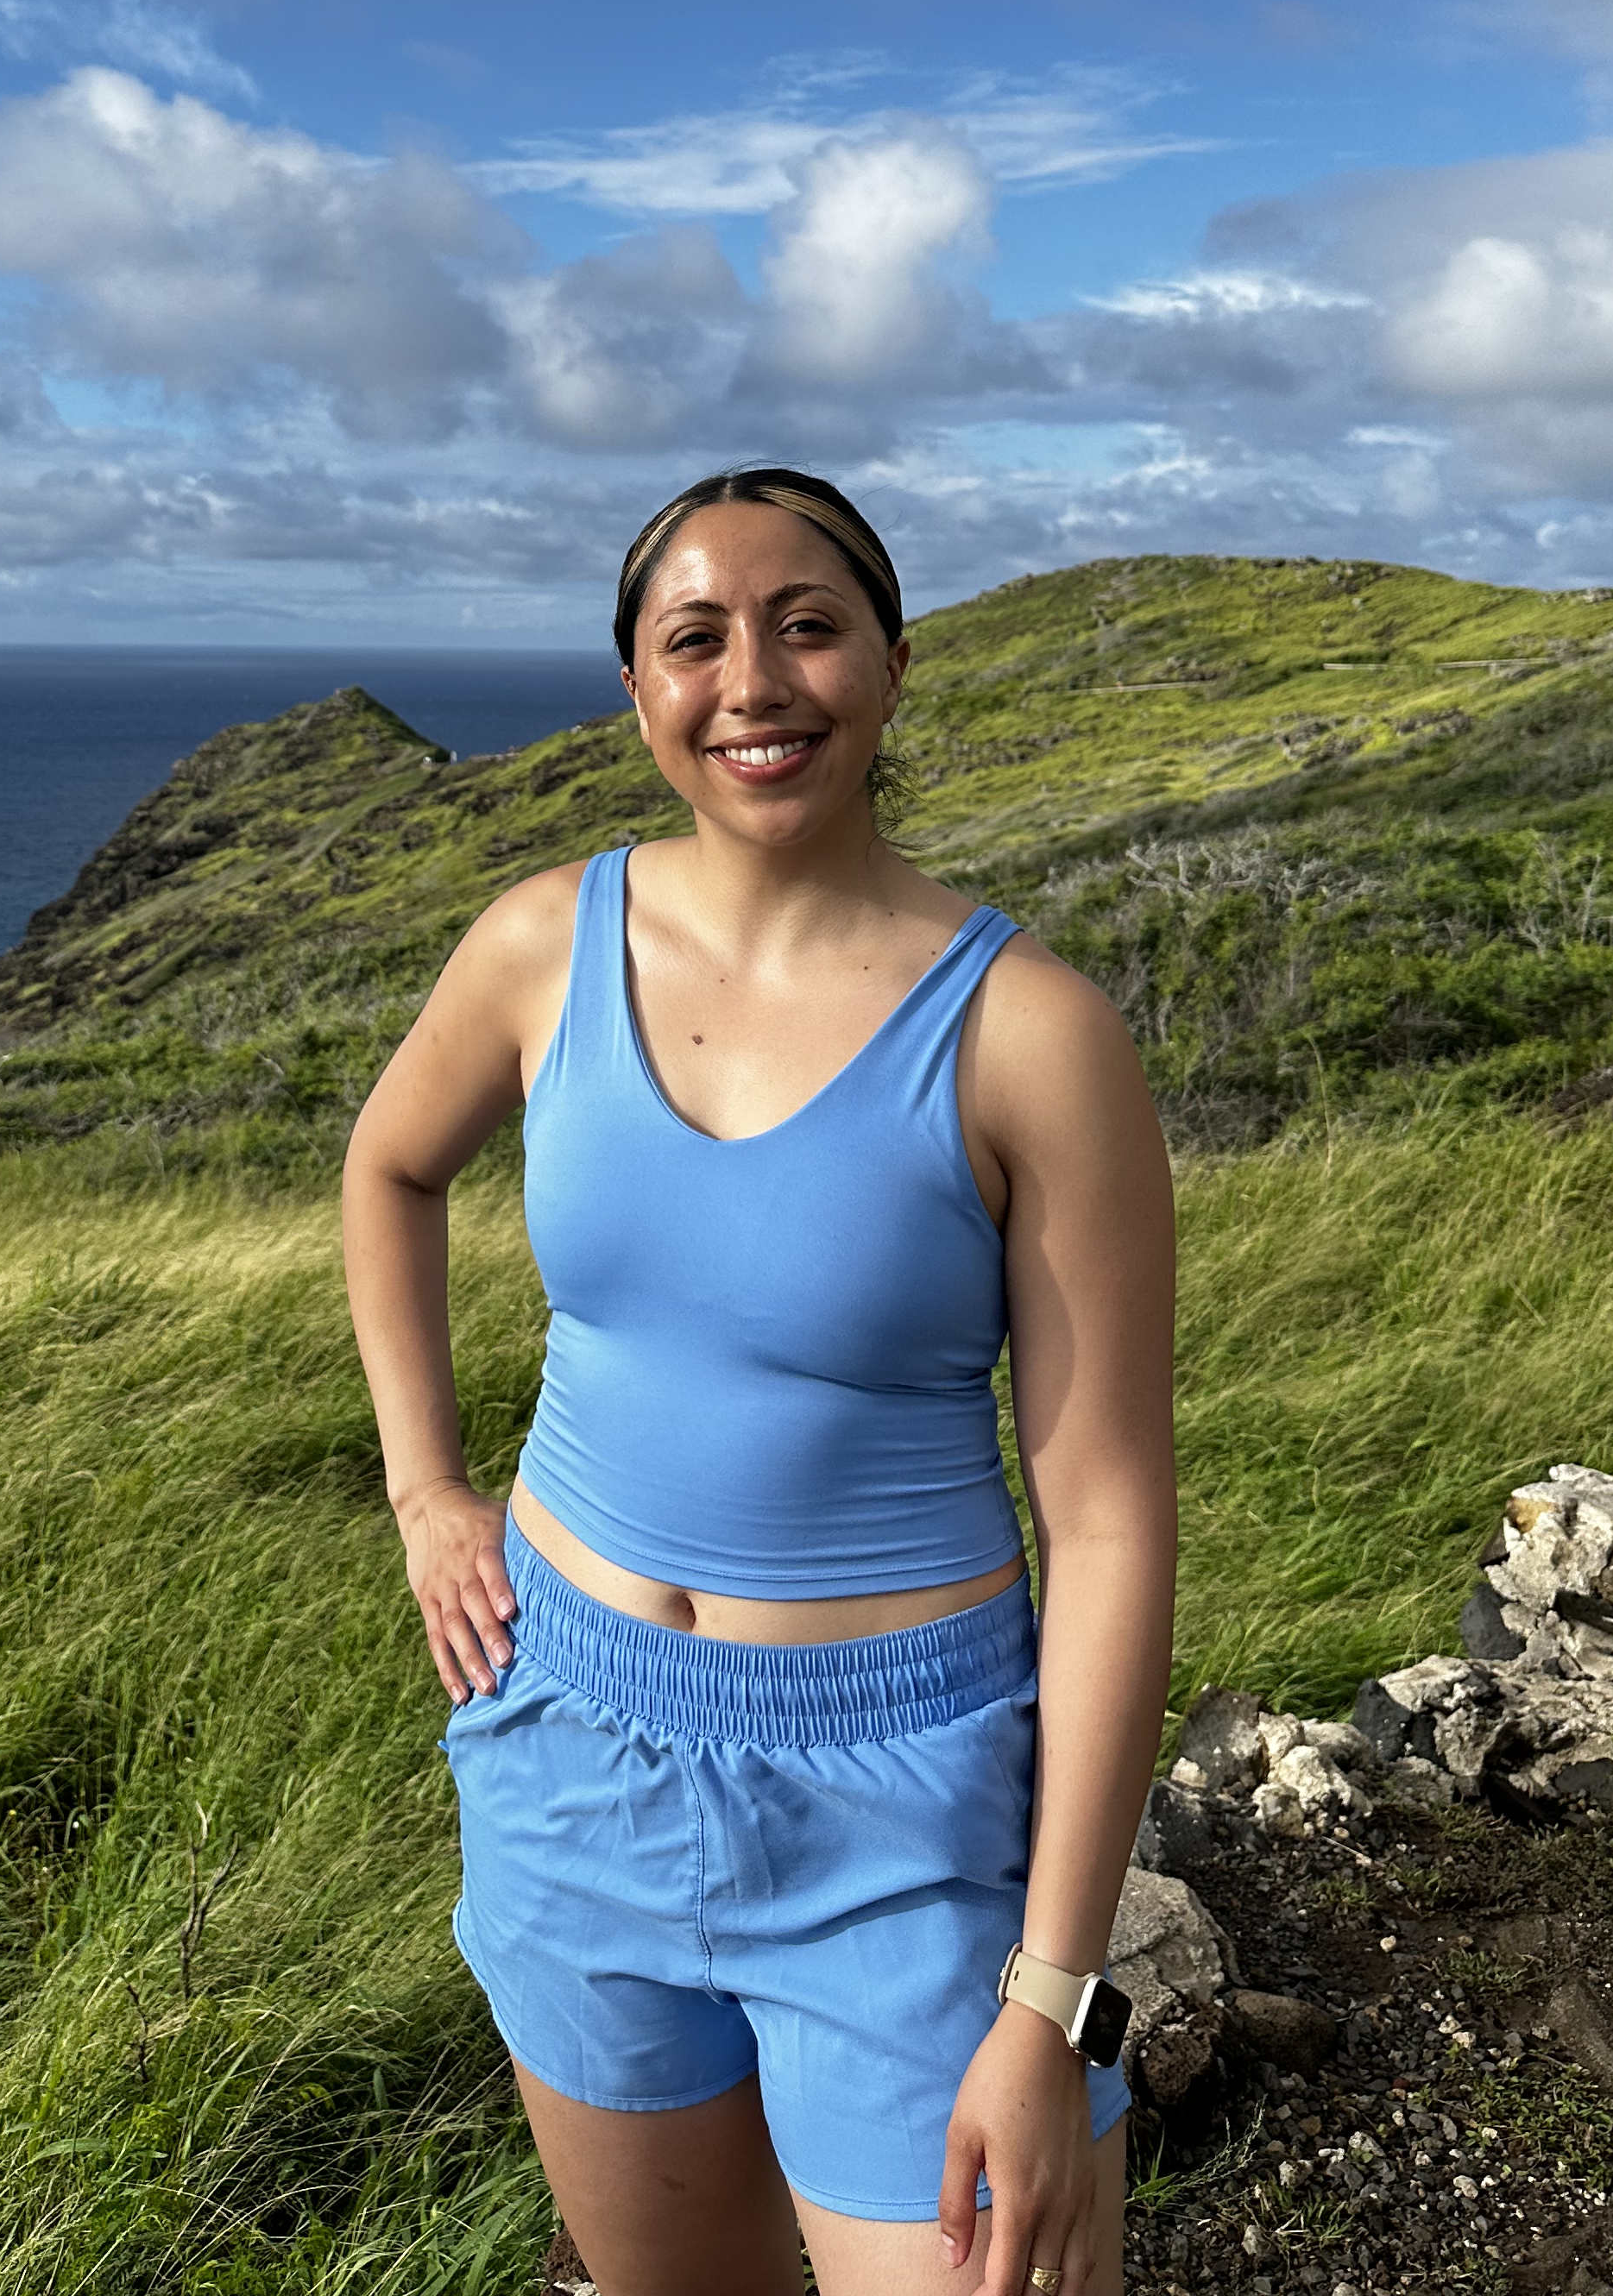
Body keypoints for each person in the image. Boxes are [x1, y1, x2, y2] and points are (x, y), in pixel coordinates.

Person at [343, 468, 1177, 2296]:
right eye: (693, 638)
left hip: (907, 1798)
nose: (754, 683)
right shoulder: (538, 945)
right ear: (637, 689)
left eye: (807, 623)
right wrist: (426, 1488)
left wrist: (1052, 2006)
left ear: (890, 661)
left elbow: (1108, 1528)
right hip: (565, 1736)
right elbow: (390, 1169)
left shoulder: (1033, 1034)